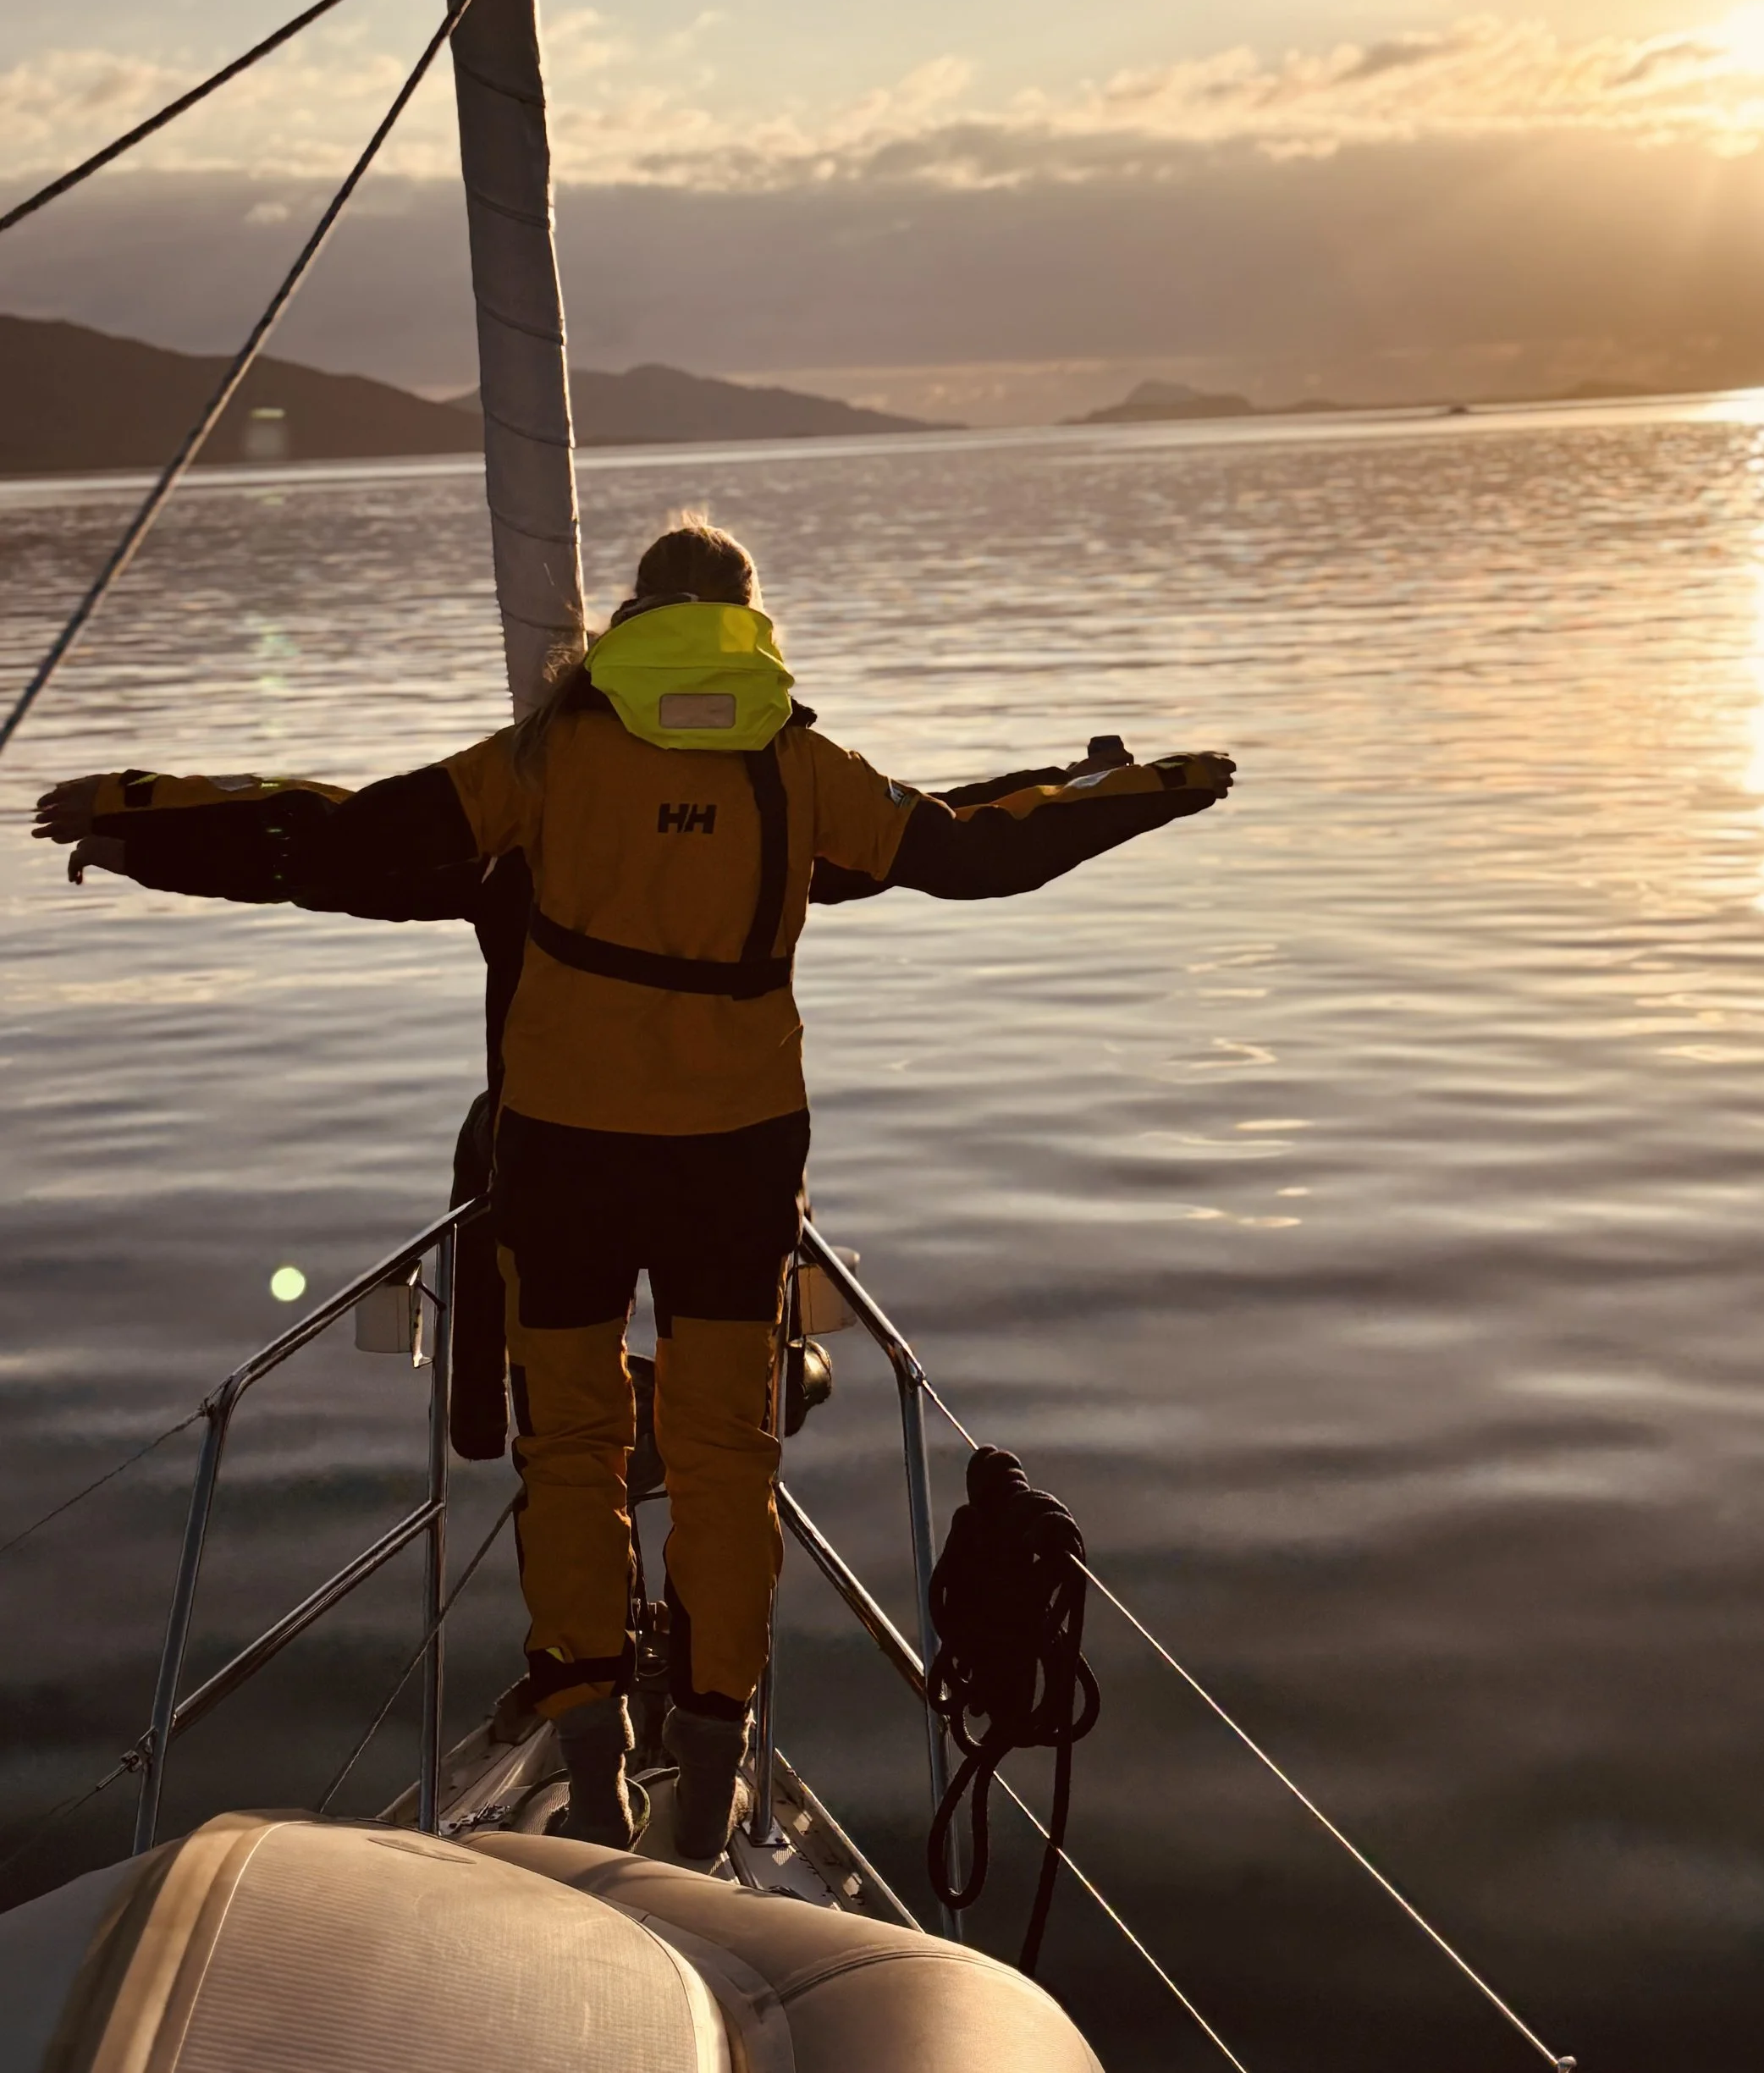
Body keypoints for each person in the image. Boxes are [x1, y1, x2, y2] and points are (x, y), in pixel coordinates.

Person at [33, 515, 1235, 1858]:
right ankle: (712, 1763)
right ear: (750, 620)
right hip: (736, 1164)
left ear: (630, 623)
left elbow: (352, 837)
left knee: (571, 1455)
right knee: (729, 1460)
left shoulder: (552, 757)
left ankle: (596, 1764)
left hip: (565, 1161)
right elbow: (968, 846)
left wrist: (149, 817)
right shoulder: (801, 766)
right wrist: (1139, 793)